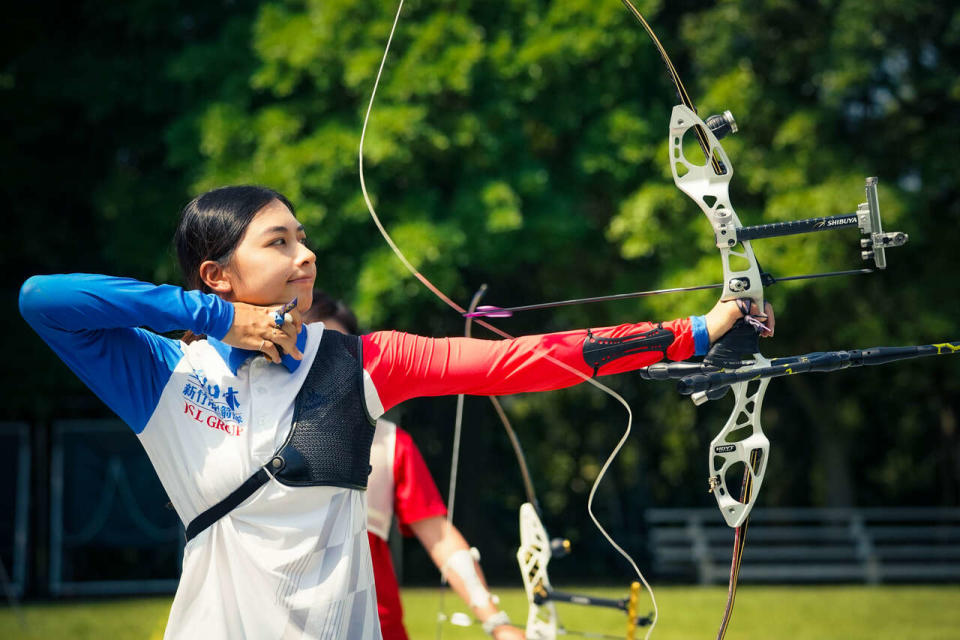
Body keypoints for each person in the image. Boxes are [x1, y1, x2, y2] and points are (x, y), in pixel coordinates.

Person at [18, 185, 772, 640]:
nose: (305, 255)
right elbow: (42, 300)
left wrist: (691, 333)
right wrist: (212, 319)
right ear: (218, 273)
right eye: (278, 242)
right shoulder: (162, 372)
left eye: (303, 238)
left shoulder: (361, 362)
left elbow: (518, 361)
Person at [305, 292, 524, 640]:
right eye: (310, 346)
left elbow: (437, 535)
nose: (323, 363)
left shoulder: (390, 442)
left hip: (377, 627)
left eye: (337, 350)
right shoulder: (250, 426)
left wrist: (496, 621)